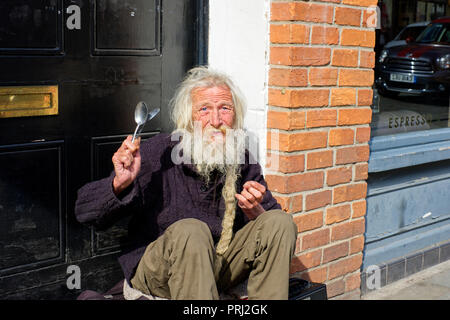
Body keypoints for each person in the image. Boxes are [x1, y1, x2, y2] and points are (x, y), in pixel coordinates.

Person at [74, 66, 298, 300]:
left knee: (279, 222)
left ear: (235, 116)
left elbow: (270, 225)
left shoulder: (241, 159)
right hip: (161, 272)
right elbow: (84, 212)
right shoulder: (159, 152)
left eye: (225, 108)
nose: (216, 120)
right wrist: (119, 184)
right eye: (204, 109)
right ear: (188, 118)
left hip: (217, 268)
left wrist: (257, 211)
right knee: (191, 230)